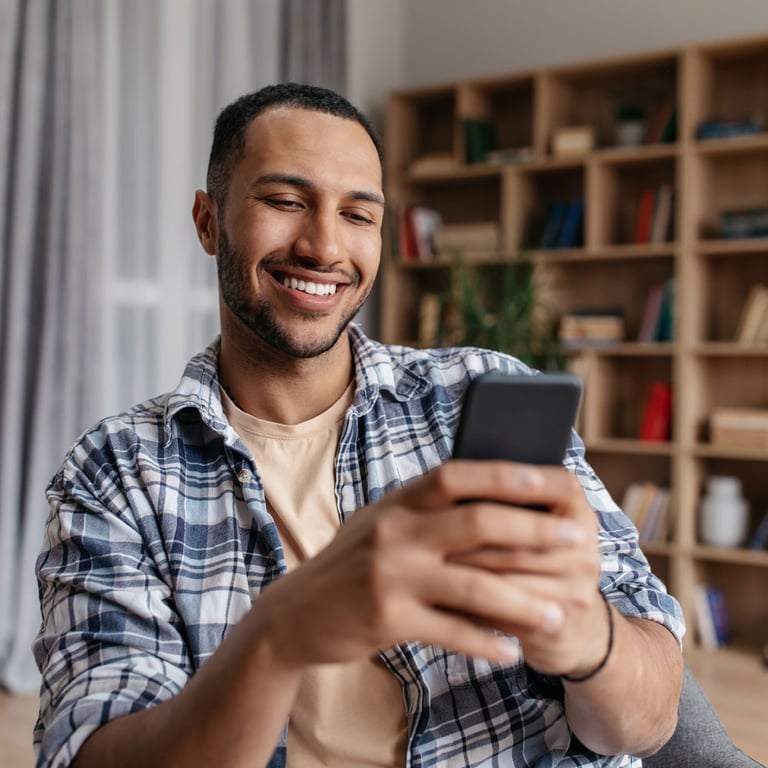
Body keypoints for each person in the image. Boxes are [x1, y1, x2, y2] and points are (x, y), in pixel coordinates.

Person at [34, 82, 685, 768]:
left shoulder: (478, 395)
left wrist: (583, 635)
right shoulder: (116, 473)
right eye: (285, 202)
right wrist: (277, 638)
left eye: (358, 214)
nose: (323, 246)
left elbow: (650, 720)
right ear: (207, 220)